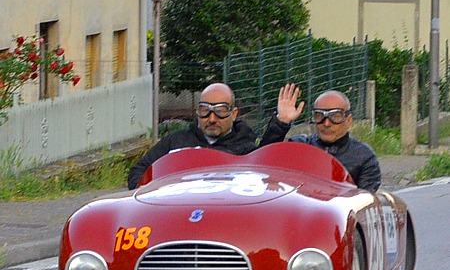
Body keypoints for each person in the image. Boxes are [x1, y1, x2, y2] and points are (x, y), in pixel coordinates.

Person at [127, 82, 291, 189]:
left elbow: (264, 167)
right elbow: (140, 170)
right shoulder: (175, 142)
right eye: (205, 111)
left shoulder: (245, 150)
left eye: (220, 112)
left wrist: (280, 122)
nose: (212, 119)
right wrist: (142, 188)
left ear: (233, 114)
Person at [261, 84, 382, 192]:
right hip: (298, 212)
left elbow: (365, 203)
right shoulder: (299, 147)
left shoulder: (364, 157)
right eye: (319, 116)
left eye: (335, 116)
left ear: (348, 120)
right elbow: (261, 164)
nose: (327, 123)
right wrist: (281, 122)